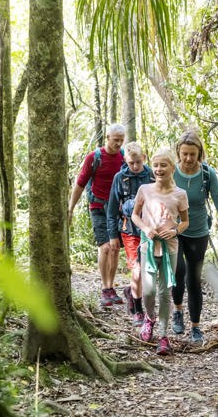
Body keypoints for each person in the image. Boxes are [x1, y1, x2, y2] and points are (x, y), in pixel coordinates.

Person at [171, 129, 218, 344]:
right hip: (174, 231)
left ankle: (196, 327)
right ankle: (178, 311)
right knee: (178, 270)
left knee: (193, 279)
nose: (189, 159)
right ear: (178, 153)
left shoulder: (207, 174)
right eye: (185, 154)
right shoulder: (171, 173)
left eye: (193, 154)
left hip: (198, 232)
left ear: (199, 153)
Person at [131, 148, 189, 355]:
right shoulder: (145, 190)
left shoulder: (180, 194)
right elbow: (135, 215)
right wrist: (146, 228)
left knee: (165, 291)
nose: (158, 169)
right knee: (148, 290)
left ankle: (163, 335)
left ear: (172, 168)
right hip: (148, 246)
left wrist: (174, 230)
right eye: (155, 165)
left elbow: (185, 222)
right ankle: (149, 318)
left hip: (170, 248)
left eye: (163, 165)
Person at [68, 123, 126, 307]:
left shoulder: (124, 158)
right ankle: (104, 288)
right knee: (106, 247)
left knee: (115, 248)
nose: (118, 144)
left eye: (121, 141)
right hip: (98, 207)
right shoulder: (94, 158)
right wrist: (70, 209)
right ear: (107, 138)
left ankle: (111, 287)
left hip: (117, 209)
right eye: (115, 140)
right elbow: (80, 183)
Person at [107, 142, 154, 327]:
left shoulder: (151, 175)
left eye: (137, 162)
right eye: (131, 163)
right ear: (125, 160)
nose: (134, 166)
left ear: (144, 158)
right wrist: (113, 236)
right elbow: (111, 209)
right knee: (136, 270)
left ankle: (132, 293)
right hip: (129, 231)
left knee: (148, 271)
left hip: (150, 230)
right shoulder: (120, 178)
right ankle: (138, 311)